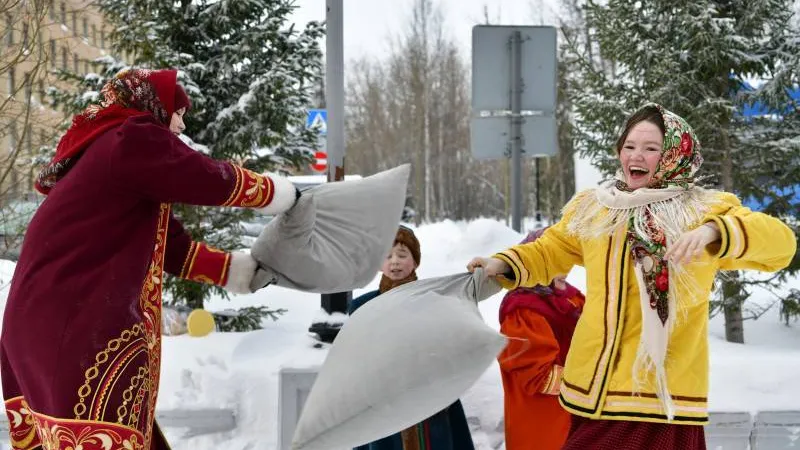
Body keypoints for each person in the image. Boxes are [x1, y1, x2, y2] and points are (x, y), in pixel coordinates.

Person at [0, 68, 298, 450]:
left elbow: (175, 249)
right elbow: (202, 176)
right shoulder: (130, 137)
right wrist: (281, 195)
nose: (181, 124)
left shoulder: (111, 157)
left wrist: (241, 272)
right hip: (75, 328)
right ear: (154, 106)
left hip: (44, 326)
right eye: (178, 111)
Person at [468, 103, 797, 449]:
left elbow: (781, 245)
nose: (636, 156)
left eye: (651, 148)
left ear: (674, 154)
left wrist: (717, 231)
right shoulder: (597, 209)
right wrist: (500, 264)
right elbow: (548, 249)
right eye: (629, 146)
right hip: (592, 393)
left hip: (661, 398)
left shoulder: (703, 210)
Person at [349, 226, 475, 450]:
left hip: (428, 398)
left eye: (402, 255)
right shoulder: (362, 307)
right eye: (387, 256)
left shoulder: (434, 300)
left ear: (415, 261)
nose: (394, 262)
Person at [497, 228, 585, 450]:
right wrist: (591, 379)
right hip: (543, 425)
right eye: (555, 255)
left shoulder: (569, 296)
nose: (566, 263)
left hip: (575, 416)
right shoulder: (523, 310)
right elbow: (538, 377)